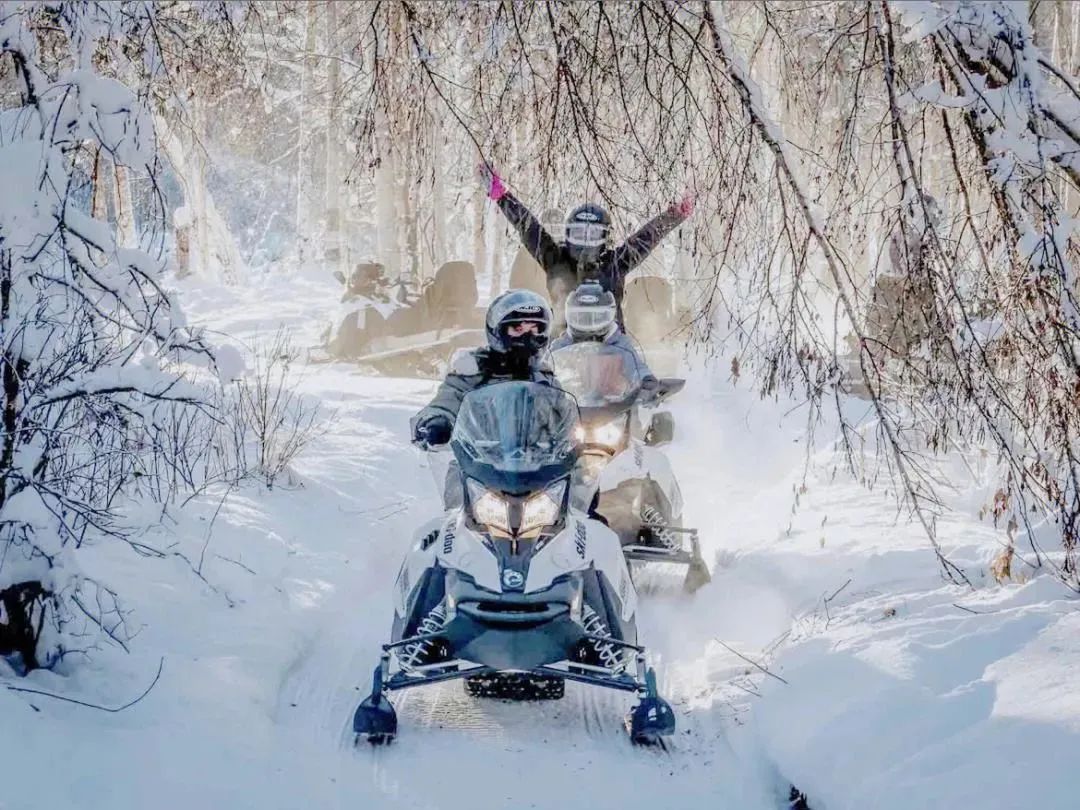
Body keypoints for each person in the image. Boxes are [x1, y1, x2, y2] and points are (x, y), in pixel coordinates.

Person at [478, 163, 695, 330]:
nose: (585, 241)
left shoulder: (615, 263)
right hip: (563, 342)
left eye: (593, 235)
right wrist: (503, 197)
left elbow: (645, 238)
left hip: (611, 344)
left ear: (605, 238)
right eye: (579, 233)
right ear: (568, 233)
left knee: (635, 371)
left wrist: (675, 215)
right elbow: (530, 229)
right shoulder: (555, 259)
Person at [410, 289, 556, 449]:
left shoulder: (545, 378)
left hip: (539, 468)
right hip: (476, 466)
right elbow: (446, 401)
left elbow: (567, 418)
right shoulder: (473, 372)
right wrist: (436, 422)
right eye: (518, 329)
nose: (526, 337)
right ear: (498, 330)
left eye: (533, 329)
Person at [550, 282, 660, 401]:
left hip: (616, 407)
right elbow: (544, 370)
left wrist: (647, 380)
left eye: (597, 317)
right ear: (569, 315)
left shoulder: (620, 344)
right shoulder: (561, 346)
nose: (589, 324)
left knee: (656, 417)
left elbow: (636, 368)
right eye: (582, 317)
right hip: (570, 409)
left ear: (610, 315)